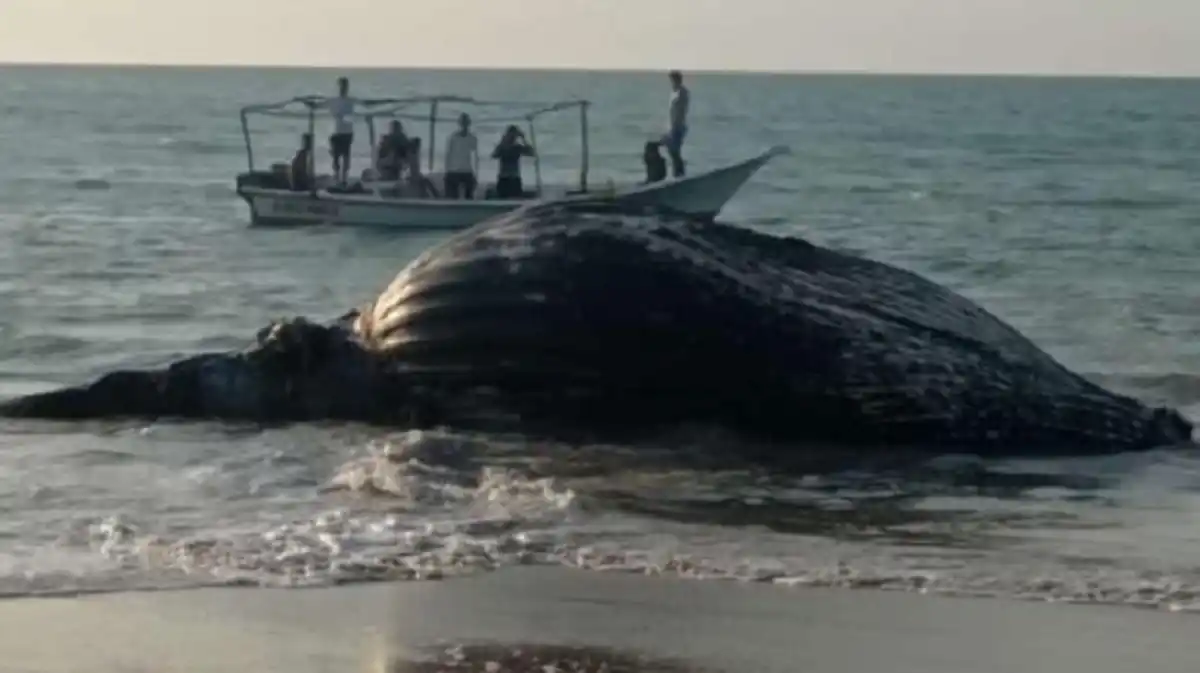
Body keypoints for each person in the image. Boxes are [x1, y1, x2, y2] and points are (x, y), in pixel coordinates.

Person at [491, 124, 535, 199]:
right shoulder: (503, 147)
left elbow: (532, 153)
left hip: (514, 178)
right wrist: (503, 141)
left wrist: (524, 139)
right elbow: (494, 155)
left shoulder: (517, 147)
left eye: (514, 136)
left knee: (516, 199)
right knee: (503, 200)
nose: (512, 138)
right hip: (504, 178)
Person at [443, 112, 479, 199]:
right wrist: (447, 169)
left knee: (469, 195)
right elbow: (448, 154)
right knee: (451, 196)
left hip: (466, 170)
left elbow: (475, 156)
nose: (464, 125)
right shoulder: (453, 137)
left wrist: (476, 173)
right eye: (463, 122)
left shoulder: (472, 138)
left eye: (466, 122)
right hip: (453, 170)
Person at [328, 77, 355, 184]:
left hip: (347, 132)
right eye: (341, 86)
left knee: (346, 156)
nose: (343, 88)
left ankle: (344, 177)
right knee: (336, 155)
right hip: (338, 132)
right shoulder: (335, 101)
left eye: (345, 86)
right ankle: (337, 176)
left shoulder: (350, 101)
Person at [663, 70, 689, 178]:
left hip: (678, 125)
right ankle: (676, 173)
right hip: (673, 125)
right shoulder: (674, 92)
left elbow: (681, 110)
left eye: (673, 80)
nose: (671, 82)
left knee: (675, 150)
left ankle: (680, 173)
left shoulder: (682, 92)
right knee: (672, 150)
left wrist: (675, 126)